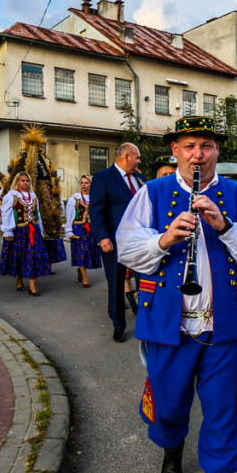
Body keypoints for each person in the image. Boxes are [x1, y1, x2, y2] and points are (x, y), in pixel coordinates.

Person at [118, 115, 237, 473]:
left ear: (217, 151)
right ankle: (172, 447)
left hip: (220, 328)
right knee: (168, 406)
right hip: (169, 326)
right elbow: (128, 246)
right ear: (175, 150)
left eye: (205, 145)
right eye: (189, 146)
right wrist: (164, 240)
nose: (197, 154)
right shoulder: (153, 192)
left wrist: (223, 226)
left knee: (225, 413)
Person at [89, 142, 143, 342]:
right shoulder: (103, 177)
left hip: (140, 241)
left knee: (145, 282)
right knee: (116, 283)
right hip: (114, 241)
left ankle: (147, 321)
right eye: (137, 157)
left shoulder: (140, 178)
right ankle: (118, 324)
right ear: (126, 156)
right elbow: (96, 209)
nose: (139, 161)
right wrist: (103, 236)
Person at [0, 172, 52, 295]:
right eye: (22, 180)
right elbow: (6, 214)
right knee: (20, 256)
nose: (25, 183)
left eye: (27, 181)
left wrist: (40, 228)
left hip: (33, 231)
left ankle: (32, 286)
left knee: (33, 257)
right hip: (19, 231)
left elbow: (37, 213)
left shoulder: (33, 196)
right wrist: (8, 231)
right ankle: (19, 280)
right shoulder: (11, 196)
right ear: (17, 181)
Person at [65, 175, 101, 287]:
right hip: (78, 228)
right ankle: (85, 277)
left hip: (91, 230)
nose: (84, 185)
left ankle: (81, 270)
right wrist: (69, 231)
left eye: (87, 183)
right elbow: (69, 216)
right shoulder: (74, 199)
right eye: (82, 182)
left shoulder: (95, 198)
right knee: (82, 252)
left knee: (89, 251)